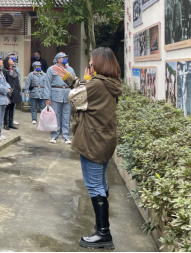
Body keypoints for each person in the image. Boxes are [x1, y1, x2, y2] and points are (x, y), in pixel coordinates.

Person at [53, 47, 122, 250]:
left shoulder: (97, 84)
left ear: (100, 63)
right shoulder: (110, 82)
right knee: (100, 181)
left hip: (93, 139)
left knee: (94, 184)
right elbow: (85, 88)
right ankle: (101, 225)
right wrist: (70, 77)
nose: (90, 64)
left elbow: (75, 98)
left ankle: (103, 233)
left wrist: (82, 80)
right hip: (104, 138)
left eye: (92, 61)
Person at [44, 52, 75, 145]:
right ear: (58, 59)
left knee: (67, 116)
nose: (65, 59)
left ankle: (66, 137)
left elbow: (74, 82)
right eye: (63, 57)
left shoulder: (70, 69)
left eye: (66, 57)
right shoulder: (51, 69)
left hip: (67, 94)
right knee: (55, 116)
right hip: (55, 94)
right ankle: (54, 136)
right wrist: (47, 97)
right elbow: (47, 84)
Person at [2, 55, 21, 130]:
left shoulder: (15, 70)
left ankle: (10, 123)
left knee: (12, 107)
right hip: (8, 90)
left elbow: (17, 81)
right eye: (10, 60)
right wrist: (7, 89)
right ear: (7, 62)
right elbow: (4, 81)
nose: (12, 60)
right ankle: (6, 124)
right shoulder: (4, 70)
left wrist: (19, 90)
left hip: (15, 90)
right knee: (7, 108)